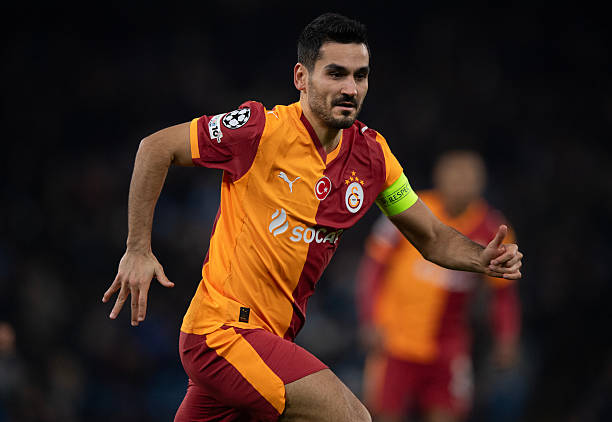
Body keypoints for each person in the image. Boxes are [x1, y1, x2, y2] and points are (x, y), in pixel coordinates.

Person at [102, 13, 523, 422]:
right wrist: (137, 248)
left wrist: (480, 258)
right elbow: (155, 148)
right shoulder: (259, 130)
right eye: (335, 74)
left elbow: (431, 236)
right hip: (224, 332)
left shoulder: (373, 156)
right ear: (301, 77)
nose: (350, 88)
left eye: (360, 76)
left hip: (264, 343)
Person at [357, 150, 521, 422]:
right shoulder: (409, 210)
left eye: (469, 177)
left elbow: (503, 293)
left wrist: (507, 338)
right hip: (395, 342)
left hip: (449, 350)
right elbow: (373, 268)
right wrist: (370, 319)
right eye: (455, 176)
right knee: (383, 415)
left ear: (482, 183)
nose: (461, 184)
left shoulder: (493, 230)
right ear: (439, 177)